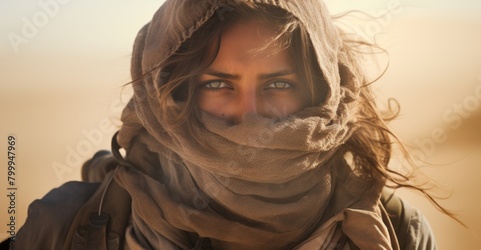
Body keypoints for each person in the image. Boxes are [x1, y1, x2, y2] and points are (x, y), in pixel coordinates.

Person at [12, 0, 440, 249]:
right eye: (218, 83)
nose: (249, 114)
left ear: (323, 89)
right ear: (172, 93)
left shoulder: (396, 230)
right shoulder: (68, 225)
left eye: (278, 83)